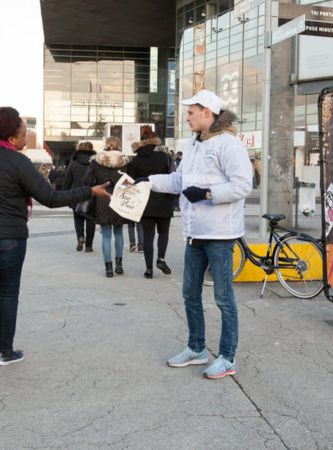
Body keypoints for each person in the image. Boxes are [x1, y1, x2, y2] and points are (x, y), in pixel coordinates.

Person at [0, 107, 111, 380]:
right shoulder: (18, 163)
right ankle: (4, 351)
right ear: (11, 136)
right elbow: (50, 198)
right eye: (23, 133)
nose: (26, 138)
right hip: (9, 238)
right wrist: (90, 191)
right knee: (6, 294)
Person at [136, 90, 253, 378]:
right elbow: (179, 180)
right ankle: (197, 348)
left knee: (224, 298)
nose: (186, 117)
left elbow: (242, 185)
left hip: (221, 235)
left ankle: (227, 357)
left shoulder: (229, 144)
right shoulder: (192, 144)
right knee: (190, 293)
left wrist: (208, 193)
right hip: (195, 233)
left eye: (191, 112)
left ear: (208, 113)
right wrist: (147, 181)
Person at [128, 126, 174, 279]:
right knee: (163, 232)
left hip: (145, 202)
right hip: (164, 199)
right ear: (155, 142)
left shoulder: (136, 160)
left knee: (148, 236)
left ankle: (148, 269)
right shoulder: (165, 157)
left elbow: (130, 182)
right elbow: (172, 177)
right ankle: (161, 259)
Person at [84, 136, 130, 277]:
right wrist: (120, 188)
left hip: (102, 199)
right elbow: (129, 181)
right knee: (119, 232)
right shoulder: (124, 162)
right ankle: (119, 264)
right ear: (119, 145)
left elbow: (87, 180)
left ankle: (108, 267)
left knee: (106, 235)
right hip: (119, 198)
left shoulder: (97, 162)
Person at [63, 141, 97, 252]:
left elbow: (67, 180)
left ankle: (80, 237)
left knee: (78, 218)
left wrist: (65, 194)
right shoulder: (95, 162)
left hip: (75, 195)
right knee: (90, 220)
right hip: (91, 193)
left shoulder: (74, 163)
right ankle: (88, 246)